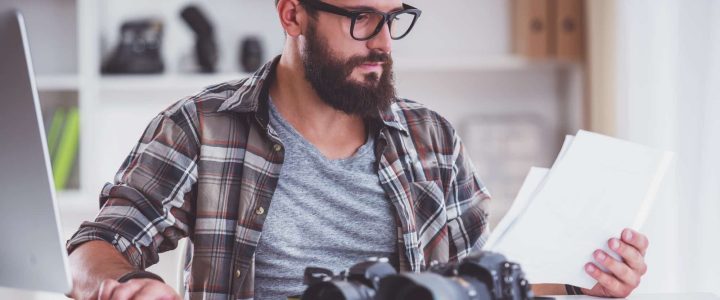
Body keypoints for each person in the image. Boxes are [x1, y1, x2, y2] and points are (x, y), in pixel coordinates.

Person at [66, 0, 649, 299]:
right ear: (293, 13)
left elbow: (478, 284)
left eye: (394, 18)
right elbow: (96, 244)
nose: (384, 44)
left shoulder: (433, 142)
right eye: (362, 19)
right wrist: (124, 285)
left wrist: (578, 282)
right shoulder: (201, 127)